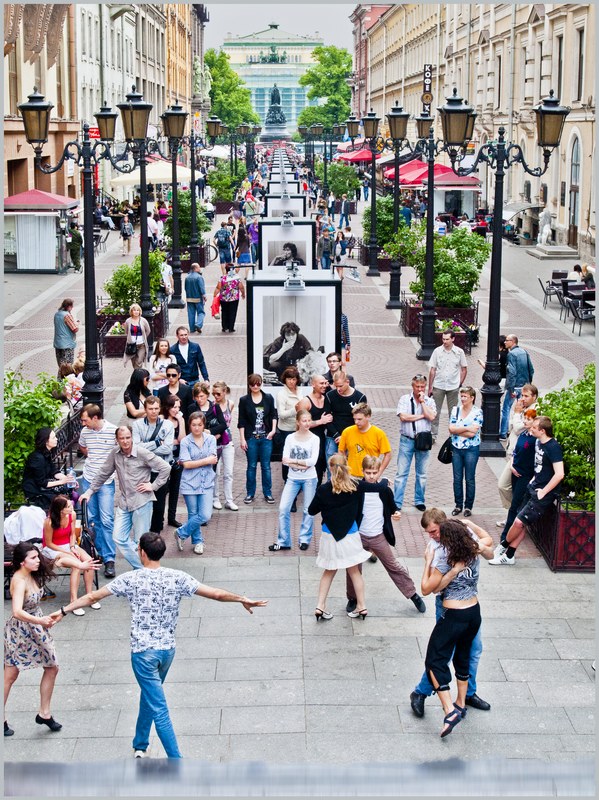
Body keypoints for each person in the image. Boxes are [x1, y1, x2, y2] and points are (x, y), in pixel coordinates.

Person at [50, 532, 267, 757]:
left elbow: (93, 597)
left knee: (159, 708)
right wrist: (242, 598)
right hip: (166, 651)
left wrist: (63, 610)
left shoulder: (130, 579)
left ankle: (176, 761)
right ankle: (140, 742)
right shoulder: (177, 577)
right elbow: (216, 594)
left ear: (142, 553)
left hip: (143, 654)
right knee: (151, 696)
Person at [412, 512, 493, 727]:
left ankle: (465, 697)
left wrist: (471, 525)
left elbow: (428, 587)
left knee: (470, 651)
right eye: (428, 533)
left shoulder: (461, 539)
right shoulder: (440, 549)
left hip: (465, 609)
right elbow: (433, 589)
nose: (431, 536)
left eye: (434, 531)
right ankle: (421, 692)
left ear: (445, 526)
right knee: (446, 654)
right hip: (454, 607)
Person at [79, 426, 170, 570]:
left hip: (142, 501)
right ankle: (142, 568)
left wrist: (153, 486)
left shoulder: (141, 452)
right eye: (122, 438)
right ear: (117, 440)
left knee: (142, 541)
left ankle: (142, 570)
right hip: (124, 502)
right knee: (118, 537)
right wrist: (89, 492)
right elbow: (103, 473)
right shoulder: (115, 453)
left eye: (128, 437)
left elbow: (165, 467)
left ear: (132, 437)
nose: (125, 441)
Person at [345, 456, 426, 615]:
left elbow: (392, 508)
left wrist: (395, 514)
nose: (372, 476)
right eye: (368, 472)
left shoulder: (384, 490)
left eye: (375, 472)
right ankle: (352, 598)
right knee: (353, 569)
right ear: (362, 471)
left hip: (378, 536)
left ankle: (413, 594)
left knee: (393, 566)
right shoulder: (356, 489)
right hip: (358, 536)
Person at [4, 543, 62, 737]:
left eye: (37, 557)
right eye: (33, 558)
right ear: (22, 562)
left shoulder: (33, 572)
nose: (38, 560)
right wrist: (40, 620)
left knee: (52, 666)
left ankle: (44, 713)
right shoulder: (19, 580)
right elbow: (17, 611)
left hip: (37, 627)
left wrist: (81, 565)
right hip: (21, 631)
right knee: (10, 675)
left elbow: (58, 560)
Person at [490, 416, 564, 566]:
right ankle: (509, 556)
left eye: (534, 428)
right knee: (521, 522)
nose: (530, 429)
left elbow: (560, 474)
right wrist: (532, 480)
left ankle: (503, 546)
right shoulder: (538, 442)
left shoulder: (553, 447)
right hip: (533, 486)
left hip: (542, 493)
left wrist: (543, 492)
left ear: (542, 431)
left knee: (518, 522)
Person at [308, 454, 371, 621]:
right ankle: (362, 606)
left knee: (329, 571)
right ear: (346, 466)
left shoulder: (323, 489)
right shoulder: (356, 486)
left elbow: (311, 510)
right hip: (350, 534)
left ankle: (320, 606)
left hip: (330, 535)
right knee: (354, 572)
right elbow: (359, 511)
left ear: (330, 468)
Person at [269, 410, 320, 552]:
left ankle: (304, 539)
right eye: (304, 420)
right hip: (292, 479)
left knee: (308, 510)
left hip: (310, 478)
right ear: (297, 422)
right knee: (283, 508)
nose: (307, 423)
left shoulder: (315, 439)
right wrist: (300, 463)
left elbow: (312, 461)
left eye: (309, 420)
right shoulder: (290, 438)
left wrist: (294, 461)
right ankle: (284, 541)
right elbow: (285, 460)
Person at [41, 496, 100, 616]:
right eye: (68, 506)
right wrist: (68, 552)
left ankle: (90, 595)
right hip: (52, 548)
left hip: (68, 545)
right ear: (60, 510)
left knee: (89, 560)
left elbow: (72, 534)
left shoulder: (71, 515)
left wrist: (72, 547)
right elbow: (49, 543)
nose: (72, 507)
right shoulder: (49, 522)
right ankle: (74, 602)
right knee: (77, 565)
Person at [78, 404, 118, 577]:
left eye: (85, 420)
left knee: (107, 519)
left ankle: (110, 559)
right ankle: (102, 552)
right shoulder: (85, 432)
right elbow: (83, 448)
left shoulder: (112, 431)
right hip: (88, 479)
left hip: (106, 482)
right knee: (93, 520)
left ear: (95, 418)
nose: (83, 423)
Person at [393, 374, 437, 516]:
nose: (419, 389)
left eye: (422, 387)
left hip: (423, 441)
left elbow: (431, 416)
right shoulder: (405, 399)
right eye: (417, 386)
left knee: (422, 474)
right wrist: (421, 416)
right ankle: (397, 502)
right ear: (412, 386)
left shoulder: (429, 401)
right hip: (407, 439)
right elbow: (404, 417)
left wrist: (423, 403)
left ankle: (419, 500)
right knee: (401, 473)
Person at [174, 412, 217, 555]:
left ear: (204, 425)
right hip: (190, 483)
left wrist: (194, 462)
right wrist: (205, 461)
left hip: (206, 481)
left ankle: (181, 532)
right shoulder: (186, 441)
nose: (197, 428)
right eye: (194, 425)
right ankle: (198, 542)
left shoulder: (211, 439)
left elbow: (214, 459)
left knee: (205, 515)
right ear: (189, 425)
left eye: (199, 425)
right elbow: (186, 465)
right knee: (193, 514)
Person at [496, 383, 538, 524]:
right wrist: (517, 414)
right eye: (523, 395)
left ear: (534, 397)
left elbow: (519, 428)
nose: (523, 398)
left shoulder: (534, 411)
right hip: (513, 453)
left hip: (522, 457)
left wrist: (517, 413)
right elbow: (511, 427)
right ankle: (513, 514)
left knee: (506, 485)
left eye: (527, 396)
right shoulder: (523, 409)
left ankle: (514, 515)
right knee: (505, 486)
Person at [132, 396, 175, 536]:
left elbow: (168, 449)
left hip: (160, 470)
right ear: (145, 409)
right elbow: (135, 448)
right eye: (150, 409)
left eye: (156, 408)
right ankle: (143, 531)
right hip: (143, 470)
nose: (154, 412)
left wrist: (144, 448)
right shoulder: (137, 425)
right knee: (142, 502)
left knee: (159, 504)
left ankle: (156, 533)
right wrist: (157, 443)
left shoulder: (167, 425)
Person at [237, 374, 278, 505]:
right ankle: (250, 493)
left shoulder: (268, 398)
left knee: (266, 466)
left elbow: (273, 415)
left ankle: (268, 493)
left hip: (266, 437)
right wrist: (242, 439)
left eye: (258, 384)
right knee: (251, 466)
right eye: (253, 384)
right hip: (251, 438)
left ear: (261, 384)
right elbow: (241, 421)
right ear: (249, 385)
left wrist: (272, 430)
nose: (255, 386)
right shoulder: (244, 400)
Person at [449, 387, 483, 517]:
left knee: (469, 478)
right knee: (457, 478)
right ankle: (458, 505)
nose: (462, 399)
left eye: (465, 396)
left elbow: (473, 433)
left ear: (472, 398)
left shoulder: (477, 412)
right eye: (461, 396)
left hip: (471, 449)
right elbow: (451, 428)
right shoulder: (456, 410)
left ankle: (468, 506)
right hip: (456, 448)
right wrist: (466, 428)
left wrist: (459, 429)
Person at [427, 331, 468, 439]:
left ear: (453, 339)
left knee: (453, 412)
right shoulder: (437, 351)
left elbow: (464, 369)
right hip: (438, 385)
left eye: (447, 339)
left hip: (453, 386)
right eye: (443, 339)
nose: (444, 341)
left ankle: (452, 434)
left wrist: (459, 383)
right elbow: (432, 370)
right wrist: (430, 387)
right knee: (435, 411)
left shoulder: (459, 352)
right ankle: (433, 434)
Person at [323, 371, 367, 469]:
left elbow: (362, 421)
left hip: (353, 437)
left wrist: (346, 437)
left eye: (341, 386)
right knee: (333, 470)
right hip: (333, 437)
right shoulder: (330, 396)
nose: (338, 389)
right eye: (336, 386)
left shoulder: (360, 397)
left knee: (352, 469)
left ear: (347, 382)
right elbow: (327, 419)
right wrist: (337, 435)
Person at [22, 428, 73, 511]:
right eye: (53, 437)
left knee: (71, 493)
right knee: (63, 501)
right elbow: (41, 482)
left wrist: (68, 479)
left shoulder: (46, 454)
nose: (56, 439)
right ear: (46, 441)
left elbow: (54, 471)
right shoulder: (37, 458)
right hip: (36, 492)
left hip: (42, 488)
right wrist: (61, 482)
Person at [338, 403, 392, 480]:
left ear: (368, 416)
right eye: (354, 419)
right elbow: (341, 451)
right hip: (351, 476)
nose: (356, 422)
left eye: (359, 419)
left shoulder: (378, 433)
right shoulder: (347, 432)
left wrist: (379, 472)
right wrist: (344, 469)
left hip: (370, 477)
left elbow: (388, 454)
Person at [296, 374, 333, 486]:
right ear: (313, 385)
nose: (324, 386)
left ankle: (316, 494)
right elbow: (301, 424)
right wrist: (320, 421)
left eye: (325, 383)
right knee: (310, 468)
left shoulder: (327, 399)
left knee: (320, 469)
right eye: (321, 383)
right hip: (308, 440)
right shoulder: (306, 402)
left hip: (322, 439)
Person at [499, 335, 535, 440]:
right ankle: (522, 430)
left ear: (513, 342)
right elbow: (531, 369)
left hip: (515, 387)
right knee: (524, 409)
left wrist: (511, 388)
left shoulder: (512, 354)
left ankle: (503, 433)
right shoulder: (524, 352)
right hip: (524, 386)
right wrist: (528, 384)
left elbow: (512, 372)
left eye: (507, 340)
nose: (505, 342)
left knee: (506, 408)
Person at [211, 381, 238, 511]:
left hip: (227, 440)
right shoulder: (212, 406)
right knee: (216, 472)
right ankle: (215, 498)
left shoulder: (230, 404)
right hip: (216, 441)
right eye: (213, 394)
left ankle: (229, 500)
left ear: (224, 392)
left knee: (228, 472)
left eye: (218, 394)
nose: (215, 396)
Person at [160, 394, 186, 528]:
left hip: (177, 460)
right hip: (164, 460)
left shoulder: (179, 420)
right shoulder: (162, 421)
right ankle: (159, 517)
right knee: (163, 489)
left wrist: (181, 422)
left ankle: (172, 517)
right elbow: (163, 443)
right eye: (174, 407)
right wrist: (171, 442)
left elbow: (182, 439)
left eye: (178, 407)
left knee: (175, 490)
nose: (176, 410)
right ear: (167, 407)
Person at [275, 367, 303, 486]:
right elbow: (281, 414)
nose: (291, 382)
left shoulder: (299, 390)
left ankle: (298, 479)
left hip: (298, 429)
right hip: (286, 430)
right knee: (287, 457)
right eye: (289, 379)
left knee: (299, 455)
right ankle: (287, 481)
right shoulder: (281, 394)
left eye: (294, 379)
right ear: (285, 380)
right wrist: (295, 409)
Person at [214, 266, 246, 334]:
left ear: (226, 269)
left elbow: (218, 287)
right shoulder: (237, 278)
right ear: (232, 269)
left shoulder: (222, 278)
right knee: (233, 312)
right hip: (234, 298)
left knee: (224, 311)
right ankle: (231, 327)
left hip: (223, 298)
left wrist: (215, 295)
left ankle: (224, 327)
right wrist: (243, 294)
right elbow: (241, 287)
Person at [53, 298, 79, 377]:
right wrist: (77, 323)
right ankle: (63, 382)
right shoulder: (67, 315)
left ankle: (59, 383)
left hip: (58, 343)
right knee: (67, 366)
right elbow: (75, 329)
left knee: (61, 365)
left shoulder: (57, 314)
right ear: (69, 306)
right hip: (67, 344)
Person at [123, 304, 151, 370]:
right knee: (134, 362)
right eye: (134, 310)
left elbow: (148, 330)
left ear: (140, 311)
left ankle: (138, 375)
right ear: (131, 311)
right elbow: (126, 332)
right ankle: (138, 374)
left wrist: (143, 337)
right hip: (132, 345)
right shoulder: (128, 321)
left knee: (139, 361)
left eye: (137, 310)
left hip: (141, 345)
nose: (136, 312)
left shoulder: (143, 320)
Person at [184, 262, 207, 335]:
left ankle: (192, 328)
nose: (200, 268)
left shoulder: (187, 277)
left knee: (191, 313)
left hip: (189, 298)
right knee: (201, 312)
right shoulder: (199, 277)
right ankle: (198, 324)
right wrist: (204, 295)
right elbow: (201, 288)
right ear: (196, 268)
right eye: (199, 267)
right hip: (197, 298)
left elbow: (185, 288)